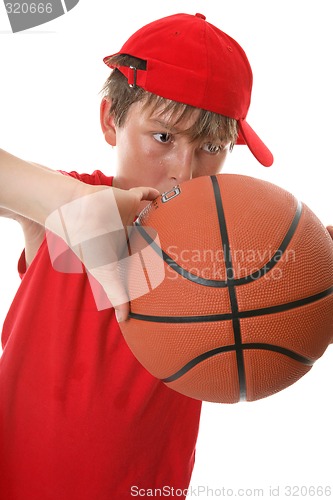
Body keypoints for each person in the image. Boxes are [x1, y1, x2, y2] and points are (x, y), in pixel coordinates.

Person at [0, 12, 331, 500]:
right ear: (112, 120)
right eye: (163, 137)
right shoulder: (62, 208)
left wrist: (311, 275)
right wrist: (68, 203)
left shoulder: (234, 249)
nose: (183, 171)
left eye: (212, 146)